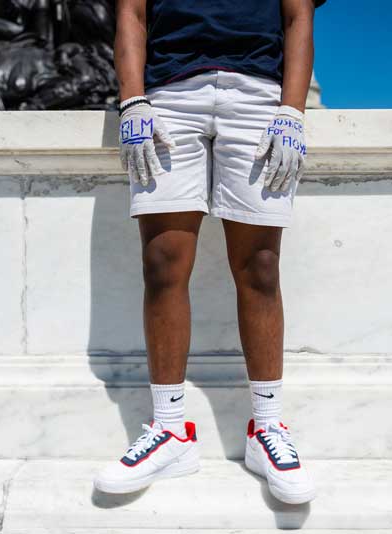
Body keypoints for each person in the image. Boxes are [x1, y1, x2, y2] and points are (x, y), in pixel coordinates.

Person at [93, 0, 325, 505]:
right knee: (162, 262)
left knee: (261, 266)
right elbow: (131, 13)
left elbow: (297, 16)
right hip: (168, 95)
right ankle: (171, 431)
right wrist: (132, 99)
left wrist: (292, 109)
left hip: (260, 94)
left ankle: (266, 430)